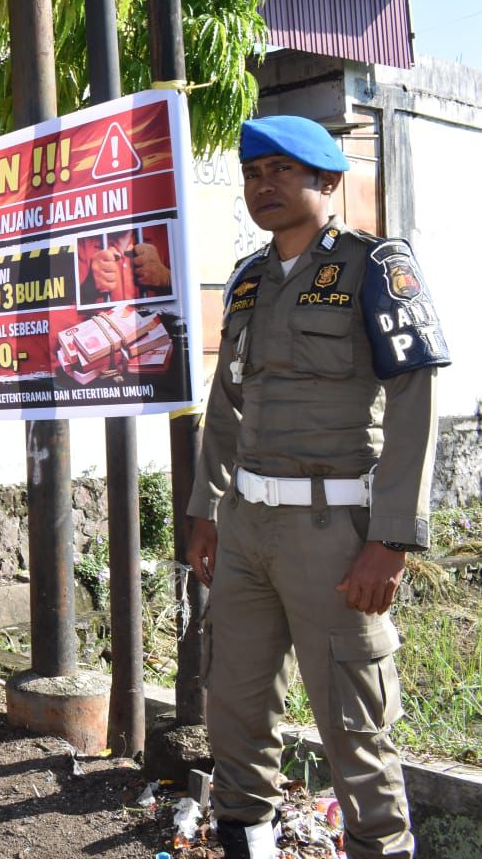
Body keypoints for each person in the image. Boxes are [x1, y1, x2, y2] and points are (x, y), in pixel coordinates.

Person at [186, 116, 449, 859]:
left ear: (328, 182)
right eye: (252, 173)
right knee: (234, 706)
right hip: (245, 534)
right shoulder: (246, 278)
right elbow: (225, 403)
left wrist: (390, 540)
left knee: (354, 728)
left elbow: (414, 402)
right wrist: (205, 512)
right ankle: (246, 842)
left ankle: (380, 846)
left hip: (334, 537)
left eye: (282, 170)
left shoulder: (376, 266)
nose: (263, 185)